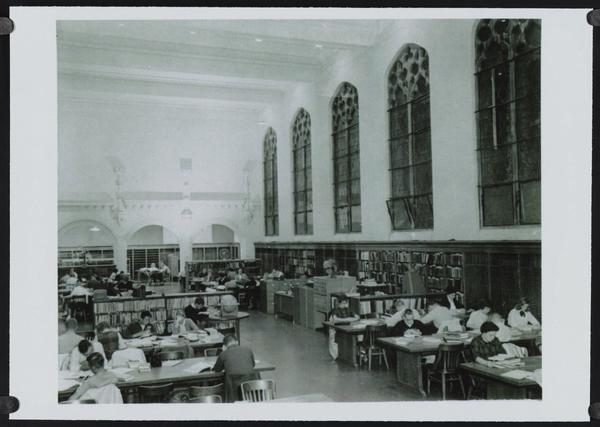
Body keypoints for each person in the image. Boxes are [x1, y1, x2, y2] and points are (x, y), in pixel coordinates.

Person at [212, 334, 259, 402]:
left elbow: (217, 369)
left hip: (233, 388)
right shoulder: (248, 350)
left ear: (224, 345)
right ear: (237, 342)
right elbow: (253, 365)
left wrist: (223, 351)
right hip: (250, 385)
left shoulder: (223, 354)